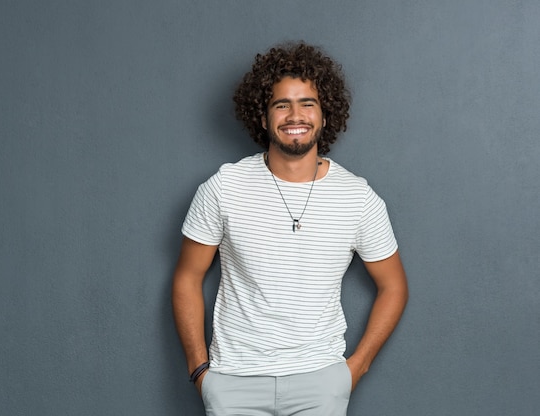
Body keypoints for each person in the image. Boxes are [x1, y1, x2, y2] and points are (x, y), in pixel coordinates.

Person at [172, 41, 408, 416]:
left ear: (325, 116)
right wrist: (200, 371)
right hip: (235, 381)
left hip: (320, 383)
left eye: (307, 103)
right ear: (263, 117)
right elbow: (187, 277)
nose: (294, 115)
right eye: (281, 104)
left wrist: (354, 370)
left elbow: (394, 286)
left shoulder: (358, 198)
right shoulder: (224, 187)